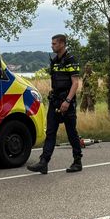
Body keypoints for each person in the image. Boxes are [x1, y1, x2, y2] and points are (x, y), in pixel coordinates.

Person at [27, 34, 84, 174]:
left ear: (62, 44)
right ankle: (43, 162)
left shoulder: (71, 60)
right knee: (50, 132)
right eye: (52, 43)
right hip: (55, 101)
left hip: (67, 102)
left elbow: (75, 83)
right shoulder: (54, 61)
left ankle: (77, 161)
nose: (52, 46)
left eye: (54, 44)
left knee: (71, 133)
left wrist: (68, 101)